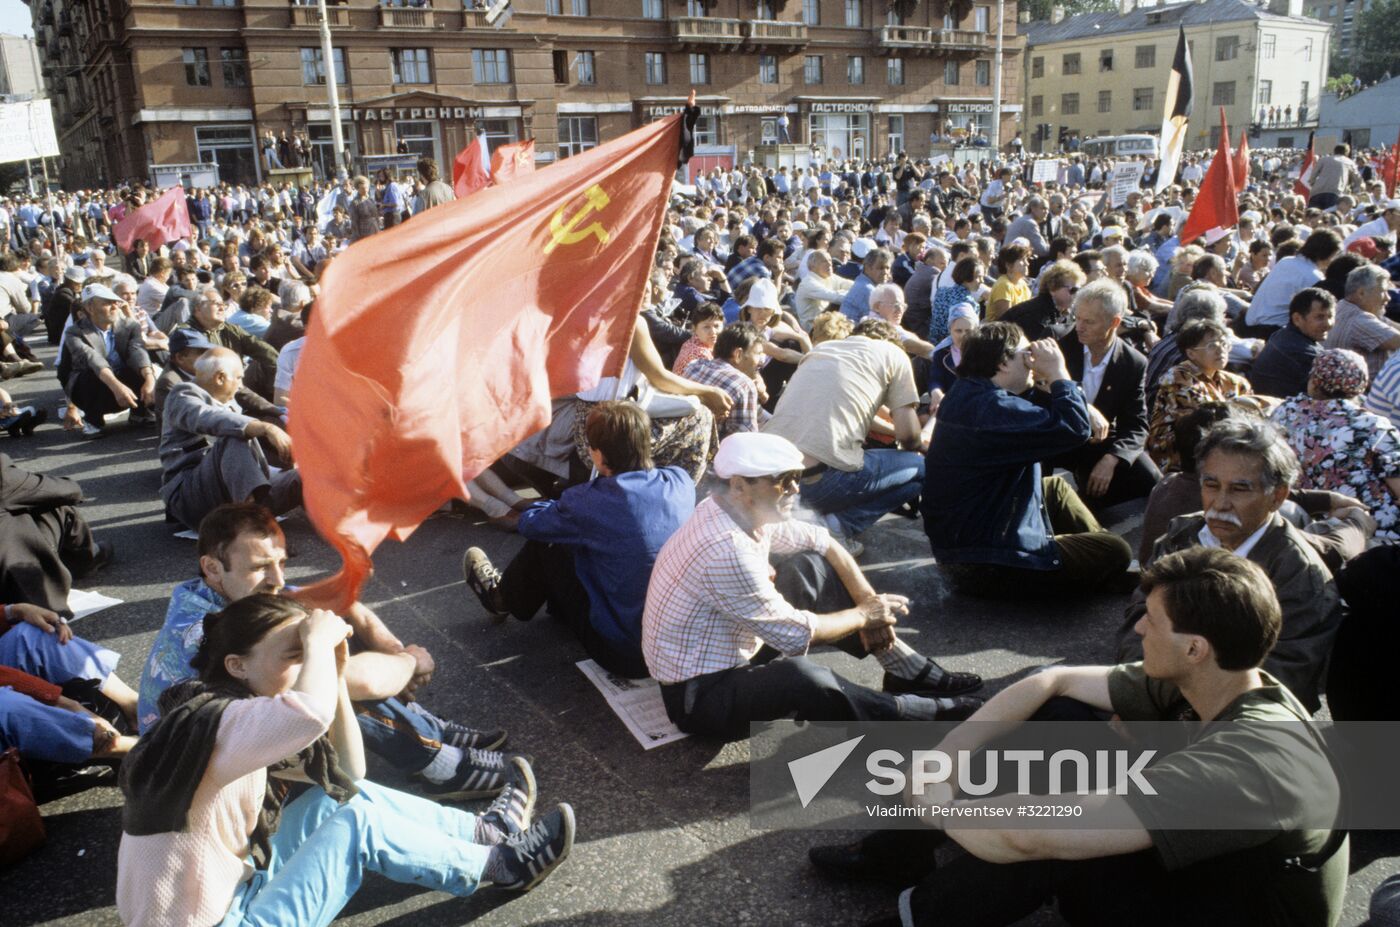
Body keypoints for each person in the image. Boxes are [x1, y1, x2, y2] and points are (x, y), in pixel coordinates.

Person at [836, 547, 1346, 927]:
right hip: (1219, 865)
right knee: (1063, 717)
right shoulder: (1225, 677)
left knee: (1050, 844)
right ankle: (904, 851)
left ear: (1195, 648)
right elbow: (1051, 681)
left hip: (1237, 909)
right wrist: (943, 762)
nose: (1139, 628)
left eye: (1153, 619)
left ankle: (918, 916)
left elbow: (1031, 832)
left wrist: (937, 803)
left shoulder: (1253, 760)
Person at [118, 594, 575, 927]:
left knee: (331, 801)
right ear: (237, 665)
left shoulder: (234, 714)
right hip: (220, 921)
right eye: (293, 656)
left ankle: (485, 834)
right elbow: (309, 713)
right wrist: (317, 644)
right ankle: (501, 866)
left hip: (230, 892)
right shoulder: (217, 723)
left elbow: (348, 775)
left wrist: (334, 671)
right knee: (357, 827)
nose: (305, 668)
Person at [138, 502, 519, 800]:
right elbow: (354, 680)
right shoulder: (204, 628)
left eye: (281, 563)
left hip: (224, 744)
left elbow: (341, 606)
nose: (278, 579)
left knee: (324, 633)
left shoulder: (225, 590)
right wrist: (409, 662)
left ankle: (427, 730)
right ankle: (437, 763)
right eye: (260, 567)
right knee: (323, 673)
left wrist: (391, 647)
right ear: (212, 567)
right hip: (195, 781)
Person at [642, 432, 983, 739]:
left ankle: (902, 666)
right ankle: (902, 710)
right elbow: (795, 634)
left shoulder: (731, 508)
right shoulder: (725, 548)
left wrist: (868, 600)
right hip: (699, 697)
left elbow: (821, 541)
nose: (795, 489)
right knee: (802, 678)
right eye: (782, 481)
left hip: (730, 655)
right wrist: (865, 615)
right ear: (739, 486)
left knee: (811, 566)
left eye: (796, 478)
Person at [1119, 418, 1342, 711]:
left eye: (1239, 490)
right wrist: (1136, 701)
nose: (1220, 503)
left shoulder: (1300, 574)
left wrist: (1165, 713)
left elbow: (1282, 678)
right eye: (1211, 485)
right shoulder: (1180, 536)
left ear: (1277, 496)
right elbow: (1138, 622)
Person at [463, 402, 694, 679]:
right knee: (587, 538)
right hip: (676, 644)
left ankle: (501, 598)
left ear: (597, 454)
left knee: (549, 541)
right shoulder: (680, 481)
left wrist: (551, 507)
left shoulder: (587, 502)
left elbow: (530, 525)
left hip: (626, 653)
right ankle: (558, 606)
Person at [923, 321, 1133, 598]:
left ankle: (1090, 558)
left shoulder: (968, 393)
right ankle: (1094, 563)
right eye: (1026, 355)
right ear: (1003, 363)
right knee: (1118, 550)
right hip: (989, 562)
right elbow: (1074, 429)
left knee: (1055, 488)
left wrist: (1075, 397)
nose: (1033, 362)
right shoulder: (993, 409)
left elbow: (1033, 407)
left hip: (964, 541)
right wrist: (1059, 373)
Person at [764, 319, 930, 543]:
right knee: (920, 468)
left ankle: (807, 518)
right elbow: (908, 437)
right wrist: (922, 446)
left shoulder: (822, 350)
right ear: (892, 342)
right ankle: (836, 528)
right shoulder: (894, 354)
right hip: (818, 483)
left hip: (769, 477)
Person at [159, 348, 301, 530]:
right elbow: (209, 418)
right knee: (233, 437)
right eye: (239, 378)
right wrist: (266, 428)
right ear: (220, 378)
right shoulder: (182, 394)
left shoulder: (227, 401)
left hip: (229, 495)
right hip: (192, 497)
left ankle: (332, 523)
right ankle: (251, 524)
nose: (241, 385)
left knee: (302, 476)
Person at [1271, 349, 1400, 542]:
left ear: (1315, 380)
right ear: (1361, 385)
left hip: (1299, 524)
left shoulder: (1283, 413)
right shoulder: (1372, 427)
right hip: (1369, 534)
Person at [1052, 279, 1160, 508]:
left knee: (1150, 478)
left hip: (1098, 442)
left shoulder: (1133, 362)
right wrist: (1082, 403)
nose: (1079, 326)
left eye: (1088, 321)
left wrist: (1113, 459)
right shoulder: (1059, 343)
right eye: (1077, 318)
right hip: (1056, 436)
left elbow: (1136, 424)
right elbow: (1039, 387)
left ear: (1114, 322)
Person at [1147, 319, 1267, 472]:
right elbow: (1206, 419)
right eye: (1212, 346)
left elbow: (1255, 415)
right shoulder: (1178, 377)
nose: (1221, 350)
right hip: (1178, 454)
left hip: (1223, 446)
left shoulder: (1236, 382)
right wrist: (1245, 406)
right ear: (1191, 353)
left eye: (1224, 344)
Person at [60, 283, 158, 435]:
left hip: (123, 382)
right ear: (90, 308)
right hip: (93, 387)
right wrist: (117, 387)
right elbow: (93, 359)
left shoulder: (130, 325)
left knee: (141, 367)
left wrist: (150, 379)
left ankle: (140, 413)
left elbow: (138, 352)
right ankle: (93, 421)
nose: (114, 307)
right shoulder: (75, 332)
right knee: (89, 374)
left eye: (115, 302)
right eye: (107, 303)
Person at [681, 321, 770, 438]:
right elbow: (744, 439)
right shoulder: (744, 385)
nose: (761, 360)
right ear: (738, 354)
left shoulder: (694, 366)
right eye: (758, 354)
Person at [1245, 229, 1341, 333]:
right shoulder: (1314, 278)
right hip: (1273, 331)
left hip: (1249, 322)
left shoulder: (1285, 261)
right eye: (1334, 256)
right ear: (1326, 254)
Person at [1248, 287, 1336, 399]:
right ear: (1297, 319)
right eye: (1320, 317)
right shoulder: (1303, 353)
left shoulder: (1281, 335)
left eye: (1330, 316)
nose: (1328, 324)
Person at [1324, 263, 1400, 380]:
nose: (1388, 298)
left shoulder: (1344, 306)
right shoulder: (1359, 320)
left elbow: (1390, 325)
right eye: (1383, 291)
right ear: (1361, 293)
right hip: (1365, 394)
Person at [1001, 259, 1086, 342]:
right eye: (1073, 290)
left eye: (1079, 290)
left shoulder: (1069, 313)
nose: (1076, 294)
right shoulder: (1032, 315)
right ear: (1053, 289)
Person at [986, 243, 1032, 321]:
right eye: (1022, 260)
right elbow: (1005, 320)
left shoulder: (1023, 284)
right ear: (1008, 265)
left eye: (1026, 259)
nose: (1027, 263)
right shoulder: (1003, 285)